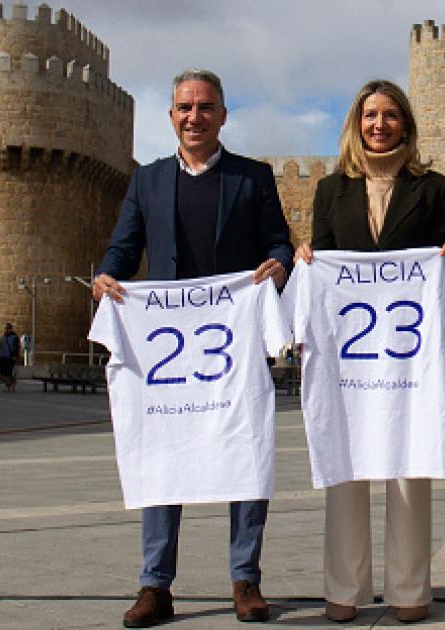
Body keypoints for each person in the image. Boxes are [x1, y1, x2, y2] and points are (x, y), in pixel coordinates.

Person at [92, 68, 293, 627]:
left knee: (246, 453)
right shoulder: (147, 181)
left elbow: (279, 241)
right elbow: (123, 248)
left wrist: (277, 265)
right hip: (168, 349)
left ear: (222, 115)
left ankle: (246, 579)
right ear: (171, 116)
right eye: (185, 107)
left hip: (233, 343)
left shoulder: (253, 178)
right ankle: (155, 585)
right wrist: (106, 276)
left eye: (205, 107)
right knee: (161, 457)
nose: (194, 117)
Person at [293, 79, 445, 624]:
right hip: (349, 356)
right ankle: (343, 588)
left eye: (390, 115)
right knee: (345, 466)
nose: (379, 124)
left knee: (410, 465)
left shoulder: (433, 188)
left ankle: (410, 591)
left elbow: (441, 264)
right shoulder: (330, 191)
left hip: (407, 356)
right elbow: (323, 261)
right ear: (356, 123)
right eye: (370, 115)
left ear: (405, 124)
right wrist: (309, 260)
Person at [0, 322, 21, 392]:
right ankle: (9, 382)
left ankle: (9, 385)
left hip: (10, 357)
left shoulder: (14, 337)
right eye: (6, 328)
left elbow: (17, 347)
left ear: (11, 329)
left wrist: (16, 356)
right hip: (3, 356)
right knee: (0, 369)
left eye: (8, 328)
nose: (6, 330)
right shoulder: (3, 337)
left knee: (8, 372)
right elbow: (0, 346)